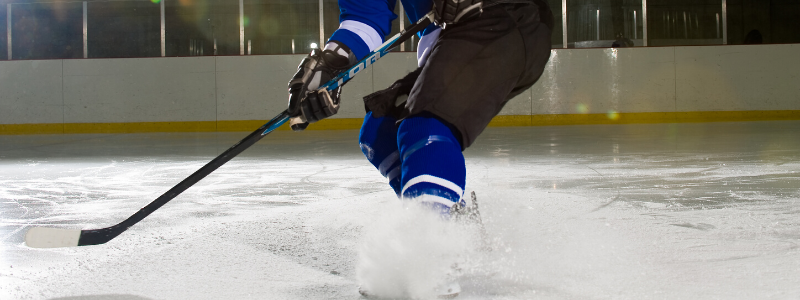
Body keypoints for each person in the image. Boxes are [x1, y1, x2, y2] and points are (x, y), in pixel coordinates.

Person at [286, 0, 553, 295]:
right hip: (458, 38)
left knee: (423, 128)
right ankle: (458, 235)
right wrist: (331, 65)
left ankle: (432, 258)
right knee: (379, 132)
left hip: (503, 16)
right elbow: (366, 17)